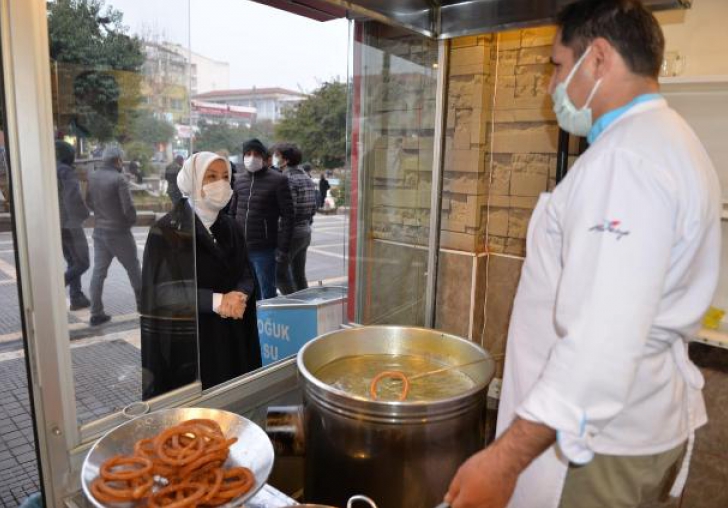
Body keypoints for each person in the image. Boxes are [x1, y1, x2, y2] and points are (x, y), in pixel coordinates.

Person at [444, 1, 721, 508]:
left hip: (595, 446)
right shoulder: (670, 140)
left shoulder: (625, 164)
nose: (551, 85)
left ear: (597, 59)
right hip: (641, 421)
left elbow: (601, 341)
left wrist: (503, 461)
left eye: (556, 64)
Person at [140, 152, 261, 399]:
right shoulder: (166, 231)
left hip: (232, 335)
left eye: (226, 177)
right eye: (211, 176)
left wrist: (240, 294)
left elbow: (247, 272)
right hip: (194, 341)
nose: (221, 183)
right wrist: (218, 301)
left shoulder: (231, 226)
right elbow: (161, 293)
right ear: (192, 181)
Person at [229, 138, 294, 300]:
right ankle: (252, 325)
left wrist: (283, 249)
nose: (252, 157)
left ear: (264, 158)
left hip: (264, 250)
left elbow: (288, 217)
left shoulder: (278, 180)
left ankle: (267, 324)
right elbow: (232, 213)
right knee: (246, 293)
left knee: (267, 295)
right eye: (248, 154)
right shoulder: (239, 180)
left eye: (256, 154)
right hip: (241, 249)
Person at [87, 146, 142, 326]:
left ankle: (95, 312)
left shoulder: (93, 176)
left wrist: (101, 214)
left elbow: (87, 201)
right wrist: (130, 221)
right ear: (118, 160)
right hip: (119, 233)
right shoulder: (119, 179)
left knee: (98, 272)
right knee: (134, 269)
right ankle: (144, 307)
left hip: (99, 231)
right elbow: (128, 208)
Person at [272, 143, 317, 294]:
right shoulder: (306, 177)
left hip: (291, 234)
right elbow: (313, 208)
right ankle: (306, 307)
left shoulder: (287, 179)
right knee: (299, 275)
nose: (274, 158)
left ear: (285, 160)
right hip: (305, 232)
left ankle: (293, 305)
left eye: (277, 156)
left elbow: (288, 212)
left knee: (279, 275)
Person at [55, 141, 91, 310]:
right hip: (70, 224)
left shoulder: (50, 169)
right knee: (83, 262)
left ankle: (76, 297)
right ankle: (53, 289)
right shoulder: (66, 171)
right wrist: (84, 214)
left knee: (72, 261)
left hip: (56, 225)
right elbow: (73, 198)